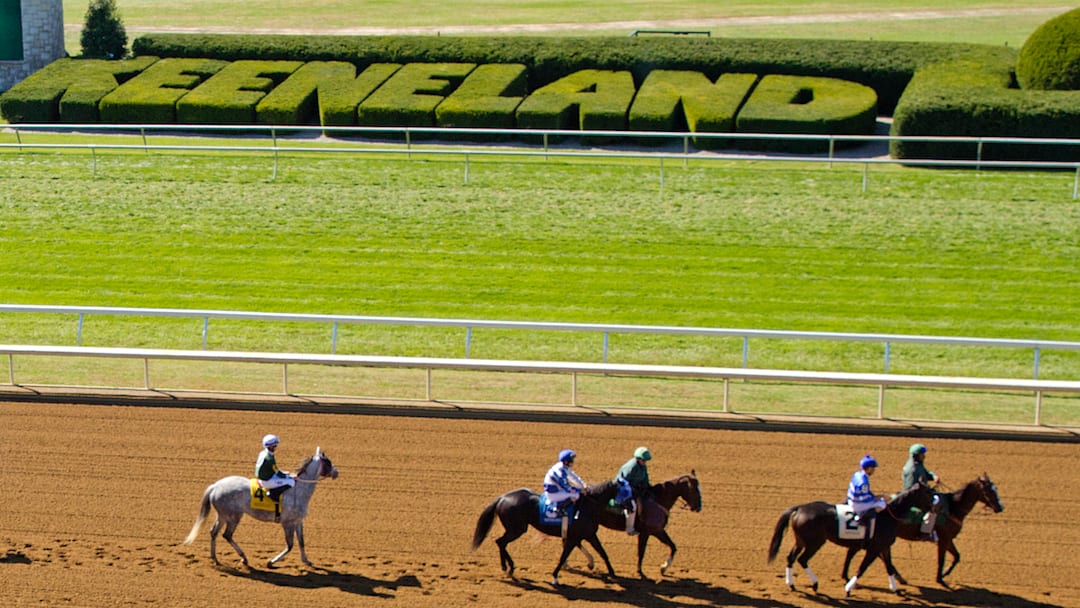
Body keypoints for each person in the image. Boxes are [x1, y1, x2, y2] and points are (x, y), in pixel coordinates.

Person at [902, 443, 940, 541]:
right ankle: (926, 532)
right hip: (914, 497)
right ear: (916, 456)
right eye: (922, 454)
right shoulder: (912, 469)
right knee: (934, 505)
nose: (924, 456)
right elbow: (912, 487)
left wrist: (933, 476)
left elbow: (926, 473)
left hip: (921, 493)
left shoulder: (918, 464)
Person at [613, 446, 652, 536]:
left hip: (635, 488)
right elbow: (623, 481)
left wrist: (648, 488)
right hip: (623, 489)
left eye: (646, 460)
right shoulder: (631, 466)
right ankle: (630, 529)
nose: (645, 462)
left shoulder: (643, 466)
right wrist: (633, 490)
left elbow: (645, 479)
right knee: (632, 507)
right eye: (643, 460)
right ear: (638, 459)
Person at [542, 449, 586, 514]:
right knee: (576, 495)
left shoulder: (564, 467)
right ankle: (558, 508)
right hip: (552, 493)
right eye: (571, 460)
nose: (573, 462)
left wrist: (583, 485)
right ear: (566, 461)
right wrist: (579, 490)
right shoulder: (560, 470)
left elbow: (573, 477)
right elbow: (566, 486)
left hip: (557, 489)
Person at [847, 454, 886, 527]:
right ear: (869, 468)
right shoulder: (864, 482)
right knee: (882, 504)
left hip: (850, 499)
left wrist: (876, 496)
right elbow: (864, 498)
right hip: (857, 504)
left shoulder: (857, 474)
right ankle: (862, 518)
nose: (874, 470)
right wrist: (876, 498)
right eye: (873, 468)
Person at [256, 434, 295, 502]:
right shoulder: (269, 458)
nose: (276, 447)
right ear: (270, 446)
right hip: (266, 481)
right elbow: (278, 473)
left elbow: (274, 469)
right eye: (275, 445)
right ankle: (273, 494)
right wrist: (290, 476)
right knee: (291, 482)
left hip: (265, 476)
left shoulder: (263, 453)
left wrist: (285, 473)